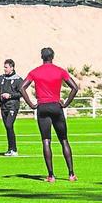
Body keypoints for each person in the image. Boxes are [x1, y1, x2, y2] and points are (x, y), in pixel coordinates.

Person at [20, 48, 79, 183]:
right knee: (63, 140)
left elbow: (22, 87)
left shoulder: (35, 72)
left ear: (41, 57)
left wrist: (31, 104)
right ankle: (71, 174)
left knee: (46, 140)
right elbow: (74, 87)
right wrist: (66, 104)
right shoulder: (60, 71)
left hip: (42, 107)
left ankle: (51, 175)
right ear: (53, 56)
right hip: (56, 106)